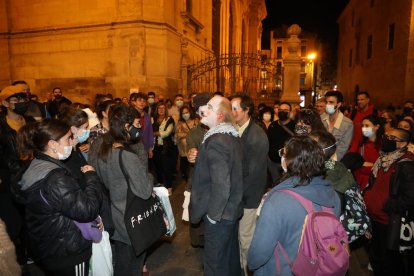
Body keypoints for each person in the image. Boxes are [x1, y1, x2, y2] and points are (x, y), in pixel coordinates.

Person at [15, 119, 102, 275]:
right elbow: (87, 210)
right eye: (68, 138)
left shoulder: (37, 164)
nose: (71, 141)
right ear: (53, 144)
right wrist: (91, 177)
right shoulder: (55, 177)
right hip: (67, 251)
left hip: (49, 246)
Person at [248, 136, 341, 275]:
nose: (282, 157)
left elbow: (259, 253)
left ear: (291, 161)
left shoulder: (277, 202)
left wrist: (250, 263)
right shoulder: (333, 195)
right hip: (318, 269)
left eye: (284, 153)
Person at [91, 105, 153, 276]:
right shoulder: (127, 155)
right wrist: (150, 176)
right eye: (137, 124)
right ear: (127, 127)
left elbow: (100, 180)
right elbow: (144, 190)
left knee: (120, 263)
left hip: (115, 214)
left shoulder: (103, 149)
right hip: (131, 220)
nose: (140, 127)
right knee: (132, 266)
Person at [190, 95, 244, 276]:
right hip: (230, 212)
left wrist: (213, 216)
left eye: (210, 108)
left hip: (220, 215)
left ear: (220, 116)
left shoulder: (217, 140)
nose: (204, 110)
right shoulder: (230, 135)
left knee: (215, 265)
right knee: (229, 260)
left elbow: (222, 184)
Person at [363, 128, 414, 276]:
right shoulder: (383, 159)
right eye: (385, 136)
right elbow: (373, 184)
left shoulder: (407, 164)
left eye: (391, 138)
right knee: (376, 259)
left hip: (389, 222)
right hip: (374, 219)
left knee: (390, 264)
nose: (386, 139)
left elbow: (410, 197)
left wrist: (387, 206)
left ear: (402, 143)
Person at [231, 94, 269, 275]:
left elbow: (252, 174)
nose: (232, 112)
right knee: (240, 237)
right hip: (239, 195)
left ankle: (250, 271)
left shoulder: (256, 135)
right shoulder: (236, 129)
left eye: (235, 108)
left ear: (246, 110)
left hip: (248, 196)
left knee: (246, 238)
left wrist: (236, 195)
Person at [350, 115, 383, 190]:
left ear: (377, 127)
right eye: (362, 126)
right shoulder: (360, 143)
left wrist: (364, 164)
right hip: (358, 180)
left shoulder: (383, 145)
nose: (364, 128)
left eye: (367, 125)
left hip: (375, 182)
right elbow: (351, 159)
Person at [267, 102, 295, 183]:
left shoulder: (294, 126)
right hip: (273, 163)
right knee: (275, 184)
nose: (282, 112)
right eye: (280, 110)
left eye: (285, 110)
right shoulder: (272, 125)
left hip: (288, 165)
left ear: (290, 112)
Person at [321, 90, 354, 160]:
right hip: (319, 159)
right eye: (326, 102)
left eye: (331, 102)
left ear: (338, 104)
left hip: (335, 162)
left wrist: (329, 164)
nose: (328, 105)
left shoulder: (347, 124)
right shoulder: (321, 119)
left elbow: (342, 148)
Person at [152, 102, 176, 195]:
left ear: (165, 110)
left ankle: (169, 186)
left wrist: (154, 133)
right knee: (158, 167)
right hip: (155, 147)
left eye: (163, 108)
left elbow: (167, 133)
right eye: (159, 108)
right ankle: (161, 185)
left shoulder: (169, 120)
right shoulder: (153, 119)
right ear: (157, 110)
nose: (161, 110)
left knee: (167, 168)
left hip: (166, 147)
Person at [175, 105, 198, 181]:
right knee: (185, 166)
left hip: (196, 147)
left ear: (190, 112)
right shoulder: (180, 123)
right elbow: (178, 134)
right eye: (183, 113)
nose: (185, 114)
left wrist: (185, 133)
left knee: (195, 165)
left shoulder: (196, 120)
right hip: (184, 149)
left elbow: (201, 132)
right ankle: (187, 180)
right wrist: (191, 134)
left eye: (186, 112)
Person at [129, 92, 154, 158]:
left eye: (144, 101)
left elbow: (150, 133)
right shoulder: (129, 114)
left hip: (144, 147)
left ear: (146, 104)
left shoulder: (147, 117)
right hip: (131, 146)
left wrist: (150, 148)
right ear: (134, 102)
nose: (142, 103)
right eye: (139, 100)